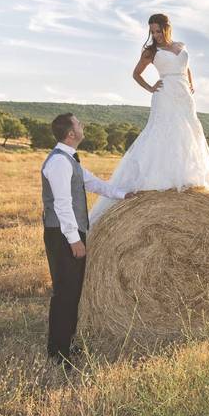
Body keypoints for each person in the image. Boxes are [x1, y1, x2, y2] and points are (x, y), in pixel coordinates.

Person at [88, 13, 209, 225]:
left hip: (184, 96)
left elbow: (186, 67)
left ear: (167, 28)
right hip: (165, 94)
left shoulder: (181, 45)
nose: (155, 35)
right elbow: (136, 73)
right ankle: (159, 181)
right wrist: (150, 87)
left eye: (158, 30)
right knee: (164, 133)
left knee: (187, 133)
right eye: (152, 31)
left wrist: (191, 84)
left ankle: (186, 180)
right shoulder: (151, 51)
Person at [41, 113, 135, 366]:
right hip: (62, 234)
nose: (83, 126)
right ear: (71, 134)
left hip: (69, 232)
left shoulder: (69, 160)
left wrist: (124, 195)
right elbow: (62, 204)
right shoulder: (59, 162)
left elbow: (93, 183)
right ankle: (58, 353)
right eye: (78, 124)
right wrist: (74, 239)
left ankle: (67, 343)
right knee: (64, 293)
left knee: (73, 291)